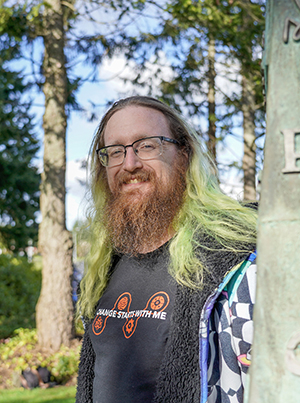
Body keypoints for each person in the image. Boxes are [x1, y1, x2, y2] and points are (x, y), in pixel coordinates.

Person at [76, 96, 257, 403]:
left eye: (147, 145)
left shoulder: (236, 267)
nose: (130, 164)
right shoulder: (102, 271)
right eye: (115, 151)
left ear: (183, 155)